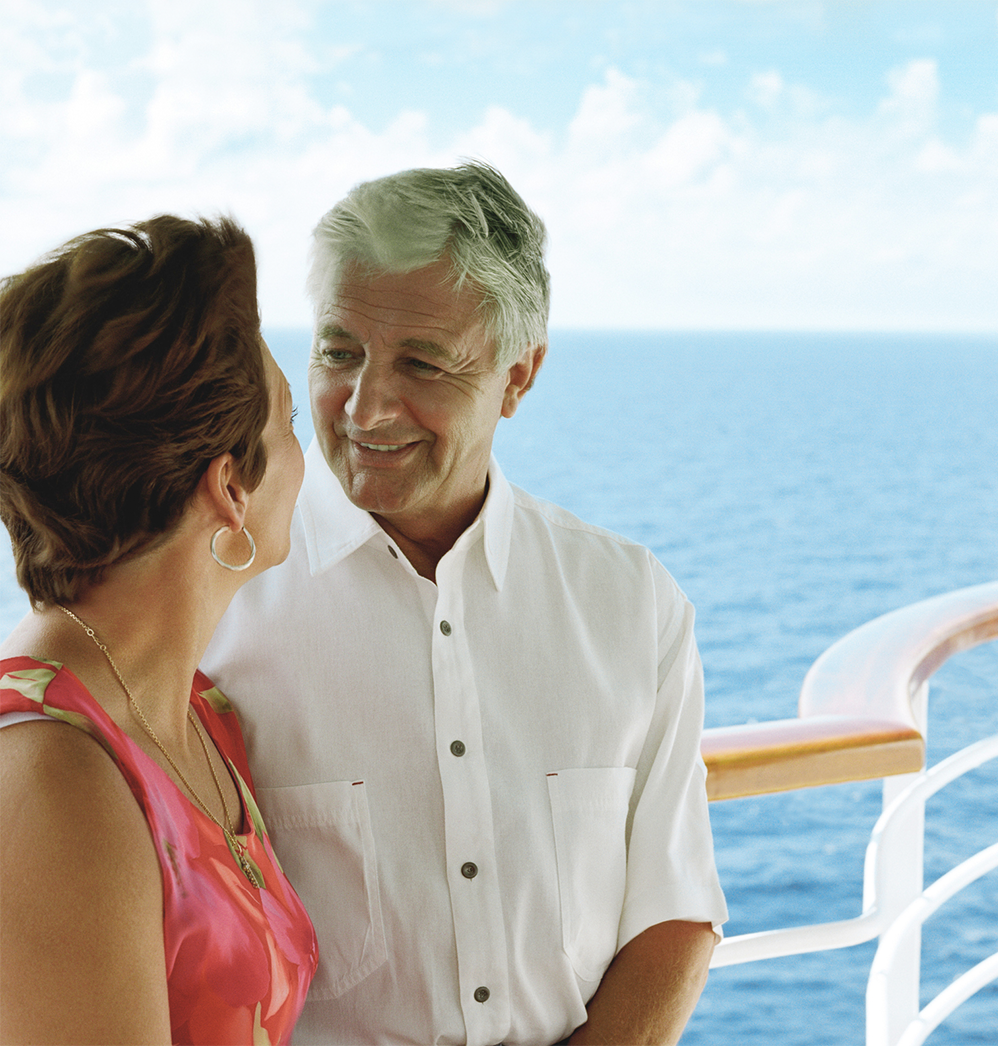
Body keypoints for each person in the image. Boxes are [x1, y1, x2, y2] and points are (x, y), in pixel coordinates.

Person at [202, 162, 728, 1046]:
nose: (366, 406)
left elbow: (673, 909)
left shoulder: (631, 604)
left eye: (423, 362)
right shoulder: (218, 607)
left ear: (518, 378)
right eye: (340, 351)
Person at [0, 215, 316, 1046]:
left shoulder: (198, 712)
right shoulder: (48, 776)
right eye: (290, 425)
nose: (305, 457)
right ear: (230, 492)